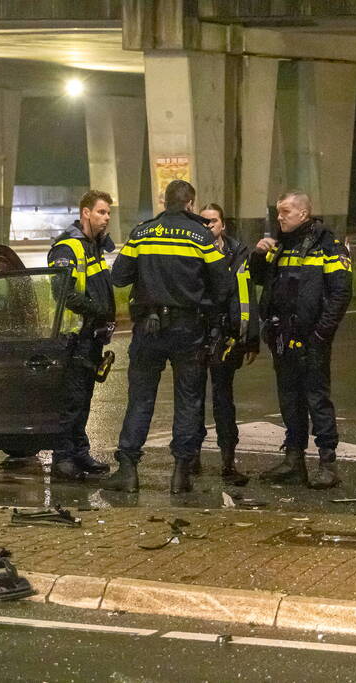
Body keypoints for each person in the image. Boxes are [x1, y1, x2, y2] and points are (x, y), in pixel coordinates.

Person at [102, 180, 230, 494]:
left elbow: (118, 277)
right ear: (189, 204)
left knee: (140, 399)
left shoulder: (142, 233)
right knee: (188, 400)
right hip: (188, 329)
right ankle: (180, 475)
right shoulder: (201, 236)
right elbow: (224, 286)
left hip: (148, 328)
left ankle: (129, 470)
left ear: (165, 202)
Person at [251, 190, 353, 489]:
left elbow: (340, 293)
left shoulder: (328, 246)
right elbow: (260, 279)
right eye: (278, 211)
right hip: (282, 336)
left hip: (312, 338)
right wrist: (259, 255)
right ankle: (294, 461)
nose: (279, 216)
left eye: (285, 211)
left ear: (303, 214)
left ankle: (327, 463)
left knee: (316, 398)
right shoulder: (280, 245)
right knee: (289, 400)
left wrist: (322, 333)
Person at [47, 190, 117, 480]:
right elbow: (63, 294)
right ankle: (63, 459)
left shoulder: (93, 246)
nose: (107, 217)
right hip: (74, 338)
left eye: (109, 213)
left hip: (91, 337)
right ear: (86, 212)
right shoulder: (69, 247)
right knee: (71, 401)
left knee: (84, 399)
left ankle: (79, 451)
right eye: (101, 212)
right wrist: (97, 309)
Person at [190, 203, 259, 486]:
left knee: (223, 399)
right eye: (204, 221)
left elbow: (247, 296)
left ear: (223, 225)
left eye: (213, 221)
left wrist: (250, 337)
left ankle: (228, 460)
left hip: (227, 337)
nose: (209, 226)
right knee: (192, 399)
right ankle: (190, 458)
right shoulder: (192, 250)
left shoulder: (238, 253)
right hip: (197, 333)